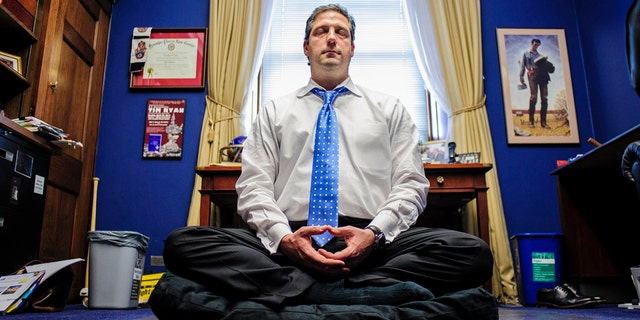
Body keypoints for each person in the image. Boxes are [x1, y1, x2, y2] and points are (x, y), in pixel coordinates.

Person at [162, 3, 493, 309]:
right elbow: (253, 189)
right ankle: (346, 290)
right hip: (290, 240)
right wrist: (285, 238)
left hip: (370, 243)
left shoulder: (390, 110)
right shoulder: (274, 111)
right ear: (306, 47)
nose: (332, 38)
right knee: (183, 244)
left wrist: (373, 235)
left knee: (472, 253)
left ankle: (297, 288)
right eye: (321, 31)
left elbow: (410, 186)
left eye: (341, 33)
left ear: (352, 47)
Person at [519, 38, 555, 129]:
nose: (536, 46)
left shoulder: (540, 55)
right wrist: (521, 76)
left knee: (544, 99)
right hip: (532, 76)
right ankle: (531, 121)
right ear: (531, 43)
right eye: (535, 44)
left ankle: (543, 123)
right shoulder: (525, 53)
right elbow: (522, 65)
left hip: (543, 77)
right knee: (533, 97)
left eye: (538, 45)